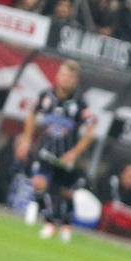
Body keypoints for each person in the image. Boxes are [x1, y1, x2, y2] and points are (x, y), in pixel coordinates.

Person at [18, 60, 95, 242]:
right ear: (57, 76)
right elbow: (31, 115)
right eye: (63, 75)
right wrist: (27, 140)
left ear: (75, 80)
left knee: (64, 192)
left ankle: (66, 224)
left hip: (66, 156)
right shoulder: (46, 95)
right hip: (46, 150)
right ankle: (50, 223)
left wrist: (74, 153)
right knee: (39, 182)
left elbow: (90, 132)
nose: (65, 79)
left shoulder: (80, 102)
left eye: (70, 76)